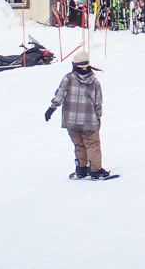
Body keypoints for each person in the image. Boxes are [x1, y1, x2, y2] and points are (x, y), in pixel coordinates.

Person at [45, 50, 109, 180]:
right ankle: (95, 170)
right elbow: (98, 103)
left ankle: (81, 169)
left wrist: (51, 109)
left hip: (71, 120)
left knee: (79, 144)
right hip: (89, 121)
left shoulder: (68, 78)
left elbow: (60, 95)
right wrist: (98, 118)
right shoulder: (95, 82)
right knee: (92, 144)